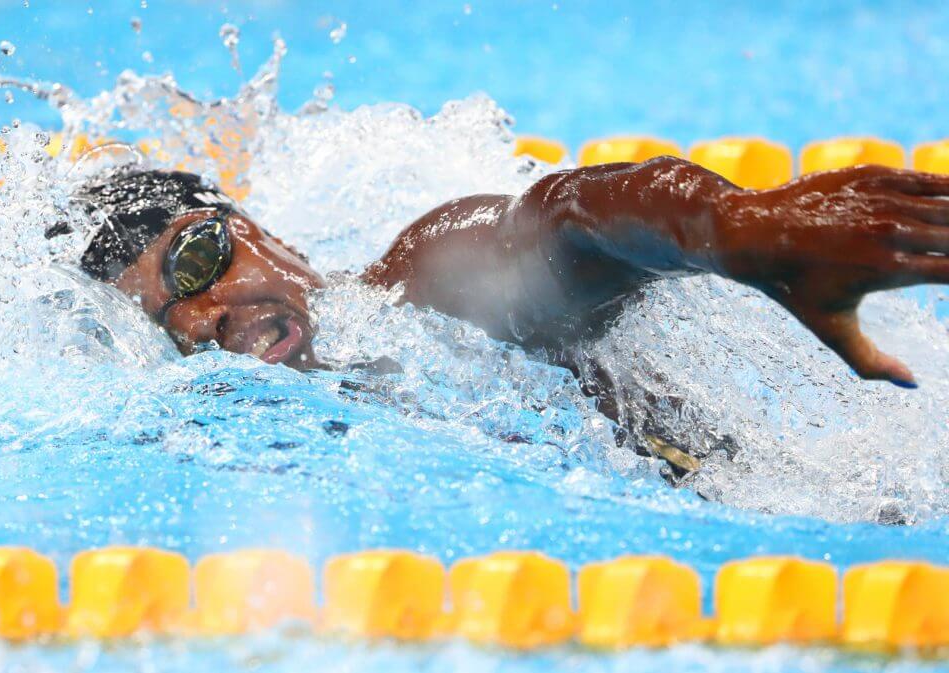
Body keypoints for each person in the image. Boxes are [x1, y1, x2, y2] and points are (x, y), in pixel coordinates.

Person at [64, 157, 949, 476]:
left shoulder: (419, 288)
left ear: (253, 227)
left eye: (197, 258)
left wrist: (747, 229)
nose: (211, 313)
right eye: (170, 320)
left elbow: (571, 217)